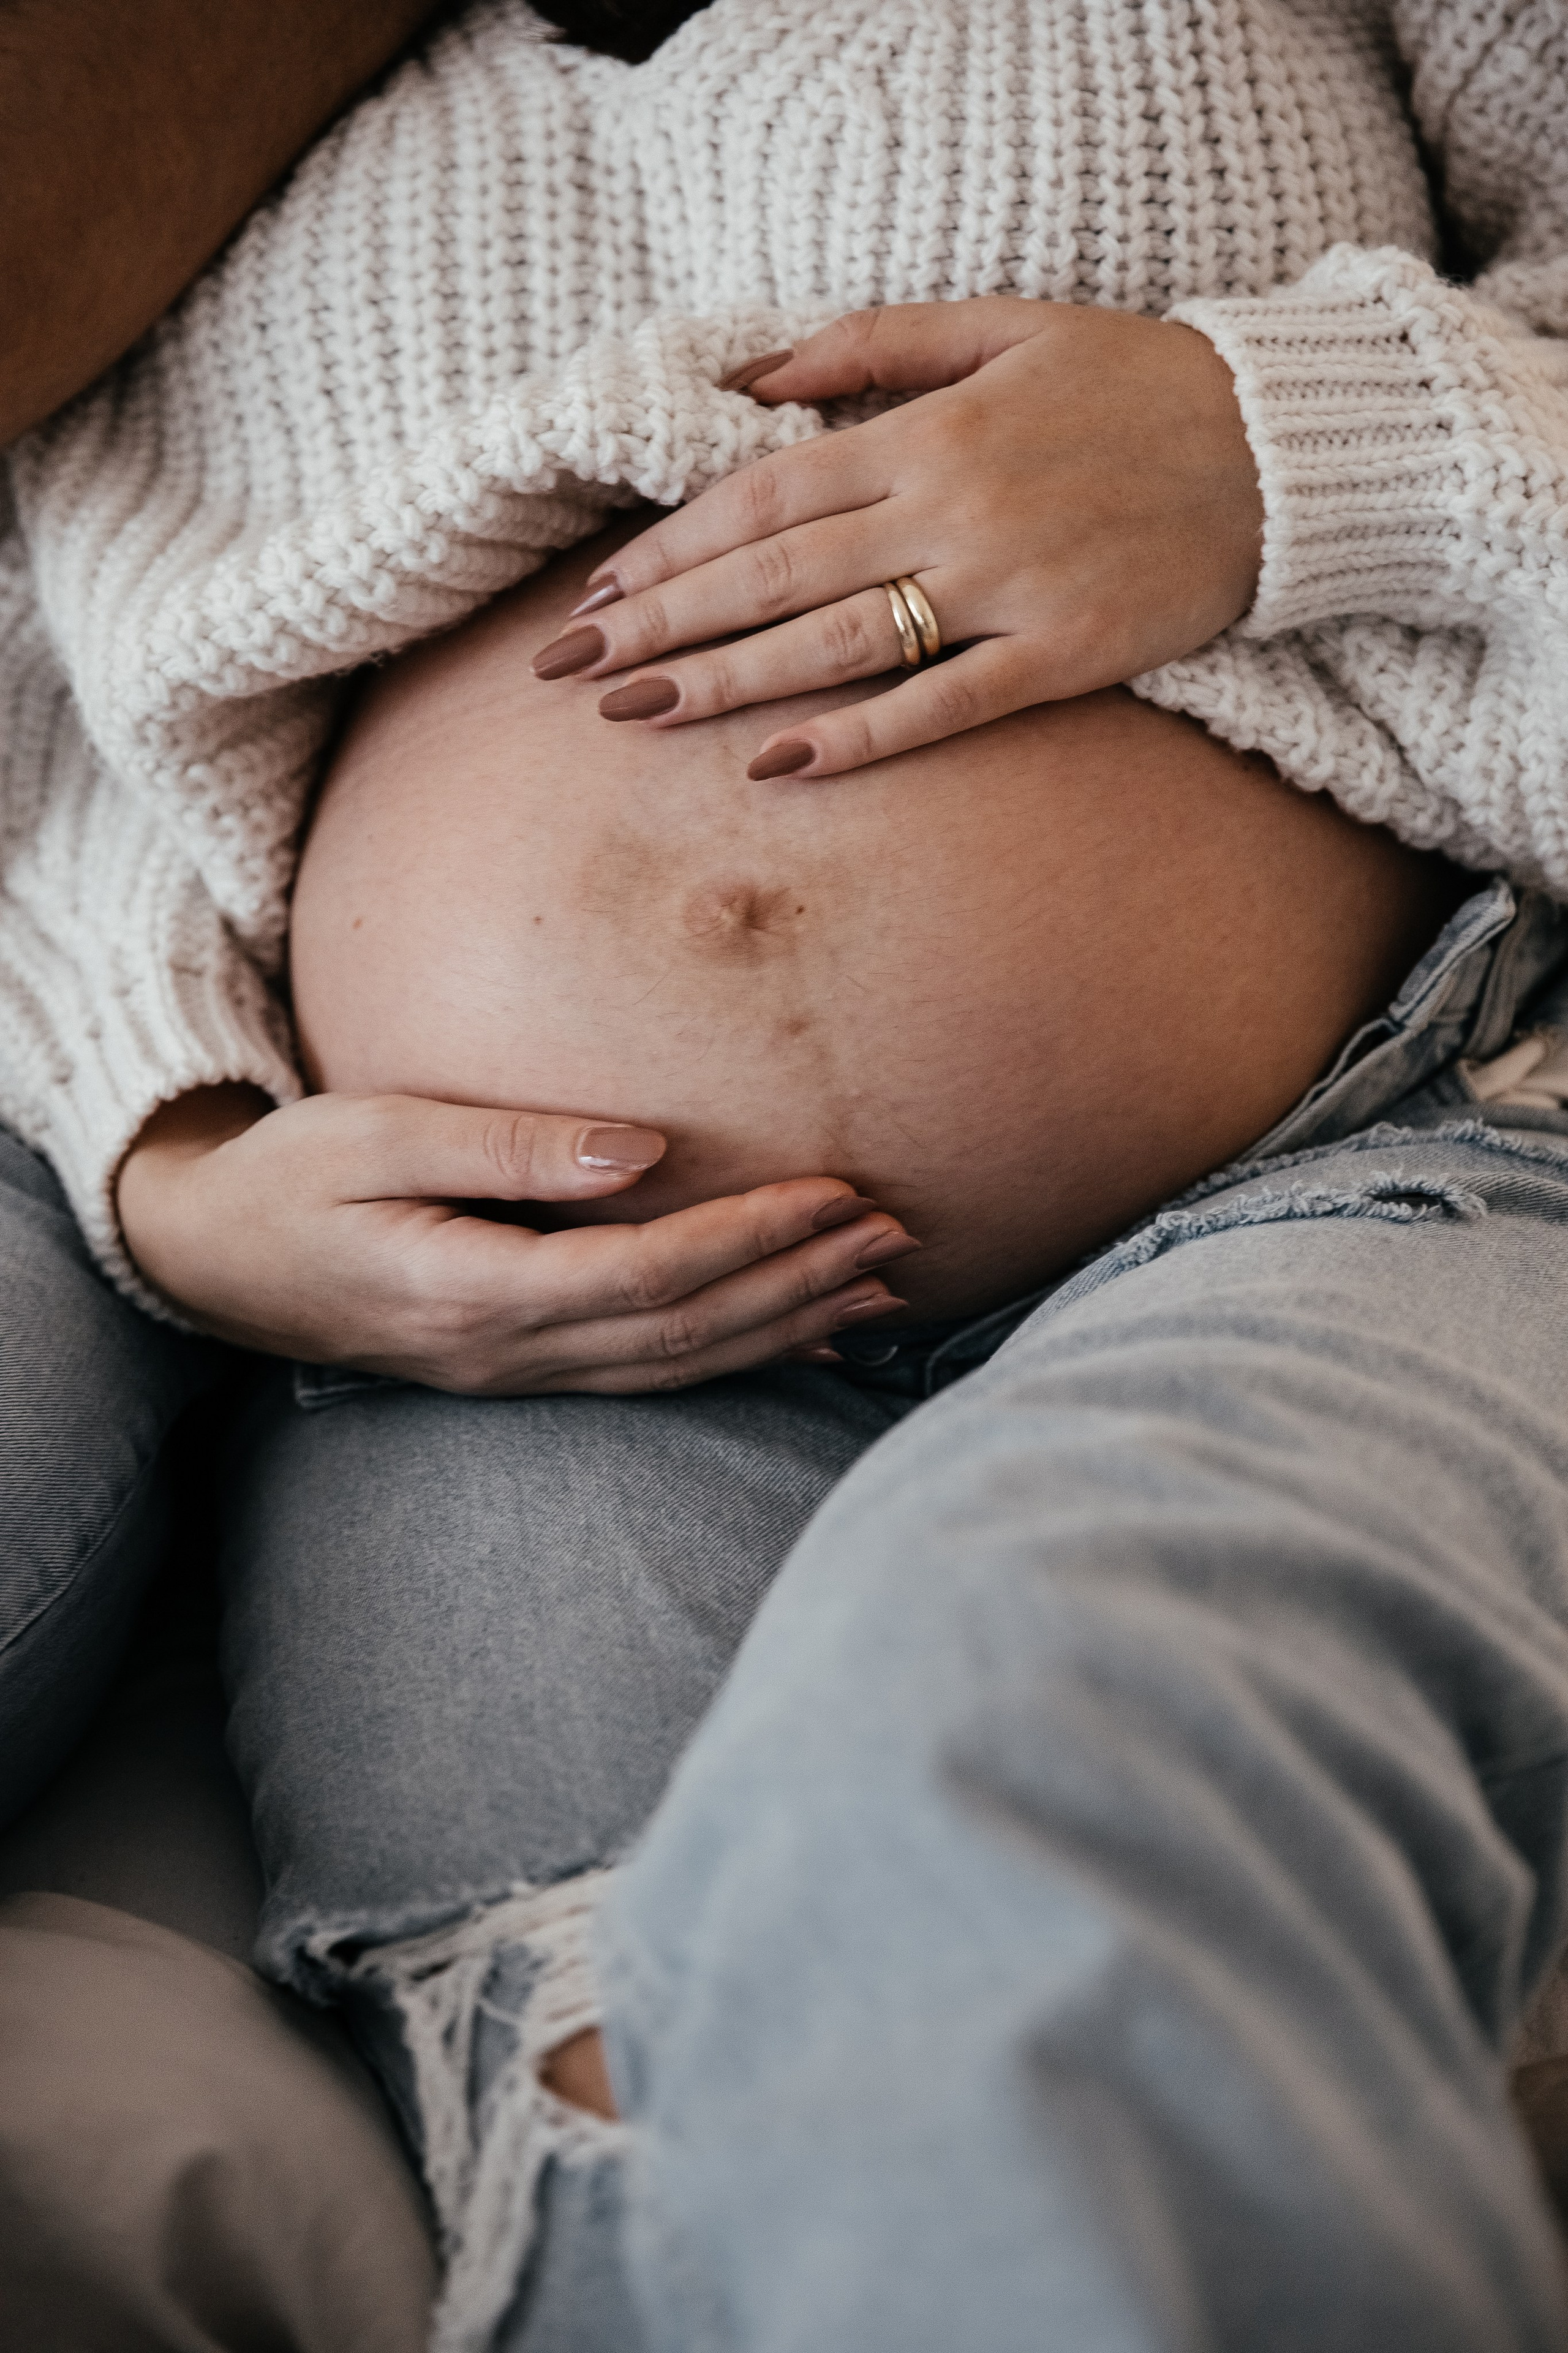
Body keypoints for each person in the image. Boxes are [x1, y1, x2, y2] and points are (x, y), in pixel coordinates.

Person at [5, 2, 1568, 2349]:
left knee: (1025, 1783)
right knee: (630, 2044)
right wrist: (176, 1156)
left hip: (1357, 1166)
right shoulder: (150, 101)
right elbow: (62, 689)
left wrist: (1289, 447)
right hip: (531, 1352)